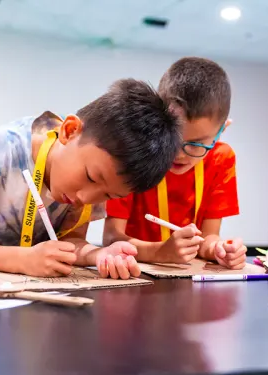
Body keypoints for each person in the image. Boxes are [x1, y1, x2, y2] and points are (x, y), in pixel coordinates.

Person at [0, 79, 182, 280]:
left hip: (19, 293)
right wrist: (23, 260)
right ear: (69, 131)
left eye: (108, 196)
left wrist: (97, 254)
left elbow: (70, 241)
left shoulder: (98, 177)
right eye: (90, 177)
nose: (85, 198)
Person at [103, 57, 247, 269]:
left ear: (222, 130)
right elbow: (111, 239)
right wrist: (160, 252)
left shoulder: (221, 159)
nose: (179, 155)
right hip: (135, 273)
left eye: (197, 144)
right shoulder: (135, 153)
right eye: (172, 138)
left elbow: (208, 238)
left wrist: (219, 249)